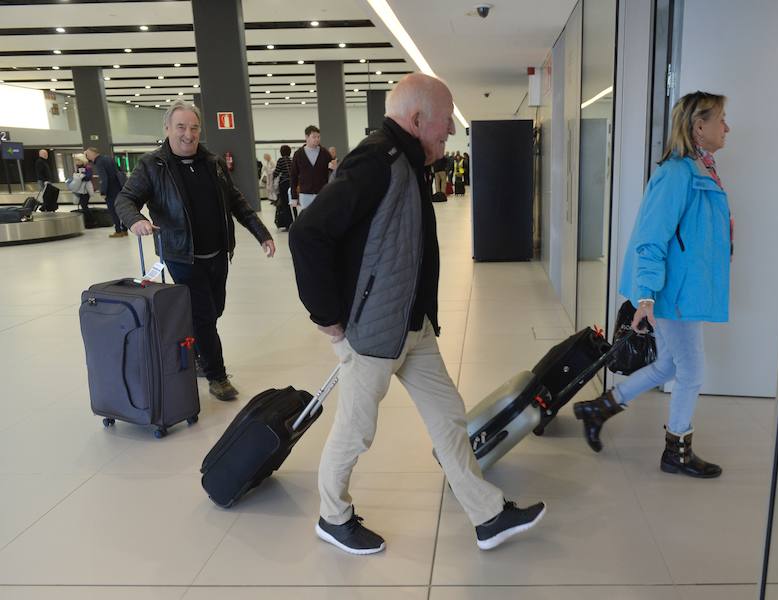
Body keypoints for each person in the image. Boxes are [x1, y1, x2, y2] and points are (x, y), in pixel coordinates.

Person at [289, 73, 546, 555]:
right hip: (372, 333)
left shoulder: (407, 161)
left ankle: (488, 515)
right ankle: (332, 516)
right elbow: (307, 235)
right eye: (445, 123)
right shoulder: (376, 159)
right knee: (355, 431)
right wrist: (327, 319)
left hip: (411, 328)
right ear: (417, 118)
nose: (449, 132)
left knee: (450, 419)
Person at [573, 91, 731, 479]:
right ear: (698, 126)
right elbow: (651, 238)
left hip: (684, 290)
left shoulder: (702, 170)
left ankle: (600, 408)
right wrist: (645, 296)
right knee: (691, 371)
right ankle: (677, 450)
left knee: (666, 365)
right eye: (721, 119)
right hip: (671, 294)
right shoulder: (678, 174)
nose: (727, 127)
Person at [116, 100, 275, 401]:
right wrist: (136, 220)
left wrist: (262, 233)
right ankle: (216, 375)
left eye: (193, 127)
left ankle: (198, 351)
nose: (188, 134)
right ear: (167, 129)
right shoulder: (152, 165)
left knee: (214, 310)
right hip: (181, 255)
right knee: (203, 315)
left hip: (217, 254)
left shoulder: (212, 164)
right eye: (181, 127)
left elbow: (238, 203)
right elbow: (125, 199)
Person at [84, 147, 128, 238]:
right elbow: (119, 171)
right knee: (121, 209)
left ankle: (118, 231)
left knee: (113, 210)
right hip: (119, 187)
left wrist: (103, 192)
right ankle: (124, 229)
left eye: (87, 154)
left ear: (93, 153)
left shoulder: (99, 162)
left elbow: (104, 178)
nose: (87, 156)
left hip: (110, 190)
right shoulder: (108, 158)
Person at [290, 125, 331, 211]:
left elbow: (332, 172)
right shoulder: (298, 154)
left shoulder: (325, 153)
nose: (317, 139)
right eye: (314, 137)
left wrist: (333, 167)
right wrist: (294, 197)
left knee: (322, 218)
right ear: (306, 137)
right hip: (305, 194)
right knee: (306, 220)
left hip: (321, 193)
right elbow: (293, 176)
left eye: (318, 137)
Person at [272, 145, 293, 230]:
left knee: (285, 204)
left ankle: (287, 224)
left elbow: (276, 172)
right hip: (292, 183)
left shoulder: (281, 160)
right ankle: (294, 221)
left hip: (284, 184)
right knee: (292, 203)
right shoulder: (292, 159)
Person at [71, 155, 95, 226]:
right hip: (80, 189)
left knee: (84, 205)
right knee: (83, 205)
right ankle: (88, 221)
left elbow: (88, 177)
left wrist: (80, 176)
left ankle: (91, 221)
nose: (76, 162)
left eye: (78, 160)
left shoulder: (87, 168)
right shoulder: (78, 168)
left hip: (86, 190)